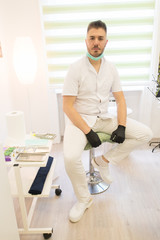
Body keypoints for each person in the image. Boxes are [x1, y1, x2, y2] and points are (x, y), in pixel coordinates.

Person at [62, 20, 153, 223]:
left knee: (145, 133)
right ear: (86, 41)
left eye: (100, 38)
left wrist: (121, 126)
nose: (96, 42)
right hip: (80, 121)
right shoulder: (74, 69)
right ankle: (84, 200)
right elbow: (67, 107)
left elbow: (120, 99)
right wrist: (88, 131)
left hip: (104, 118)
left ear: (106, 42)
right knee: (69, 158)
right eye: (92, 38)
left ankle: (103, 161)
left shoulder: (111, 68)